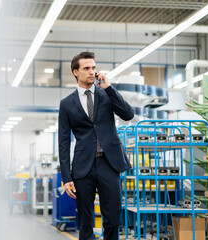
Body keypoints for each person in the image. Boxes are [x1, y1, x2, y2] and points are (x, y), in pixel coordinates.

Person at [58, 52, 134, 240]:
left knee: (113, 219)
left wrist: (110, 88)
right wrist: (66, 177)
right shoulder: (66, 104)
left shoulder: (107, 94)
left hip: (109, 163)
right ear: (76, 72)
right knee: (85, 221)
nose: (92, 72)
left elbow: (128, 114)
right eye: (86, 68)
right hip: (83, 167)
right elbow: (63, 142)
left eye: (93, 68)